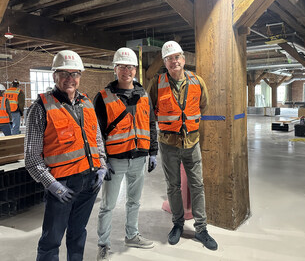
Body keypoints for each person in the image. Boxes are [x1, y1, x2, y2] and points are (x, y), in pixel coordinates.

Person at [24, 50, 109, 261]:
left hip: (89, 183)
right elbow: (32, 158)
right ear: (54, 76)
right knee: (51, 241)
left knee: (78, 235)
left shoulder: (87, 103)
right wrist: (53, 185)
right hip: (62, 185)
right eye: (64, 73)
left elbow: (97, 140)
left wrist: (103, 166)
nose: (70, 79)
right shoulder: (41, 107)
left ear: (80, 76)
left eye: (74, 74)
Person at [147, 41, 218, 250]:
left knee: (197, 185)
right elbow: (150, 110)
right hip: (168, 144)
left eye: (177, 57)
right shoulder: (157, 82)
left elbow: (203, 104)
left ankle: (201, 229)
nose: (174, 61)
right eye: (169, 58)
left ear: (183, 60)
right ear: (165, 62)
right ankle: (177, 224)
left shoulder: (197, 81)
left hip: (192, 142)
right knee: (173, 186)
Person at [95, 47, 158, 260]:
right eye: (122, 66)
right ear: (115, 69)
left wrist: (152, 152)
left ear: (135, 70)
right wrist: (102, 161)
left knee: (134, 201)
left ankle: (132, 235)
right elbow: (97, 132)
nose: (126, 71)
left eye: (130, 67)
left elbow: (150, 125)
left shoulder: (143, 95)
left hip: (139, 158)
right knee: (108, 205)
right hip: (115, 160)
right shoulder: (103, 97)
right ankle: (103, 244)